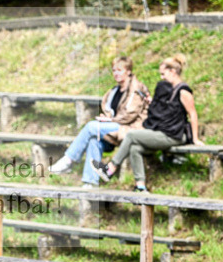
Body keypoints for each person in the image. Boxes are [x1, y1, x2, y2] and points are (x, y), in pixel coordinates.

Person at [93, 54, 202, 192]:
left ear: (172, 72)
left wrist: (196, 139)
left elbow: (193, 114)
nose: (162, 77)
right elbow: (166, 112)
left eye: (163, 74)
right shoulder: (168, 89)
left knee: (132, 135)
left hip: (174, 135)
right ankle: (141, 186)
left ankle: (110, 169)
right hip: (164, 131)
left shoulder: (183, 91)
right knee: (135, 148)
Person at [49, 56, 149, 187]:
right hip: (116, 127)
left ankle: (69, 160)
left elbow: (130, 115)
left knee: (91, 127)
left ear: (129, 71)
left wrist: (109, 120)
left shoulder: (136, 89)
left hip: (130, 129)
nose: (116, 73)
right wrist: (107, 118)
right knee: (94, 141)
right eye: (114, 70)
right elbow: (111, 111)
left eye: (120, 70)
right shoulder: (114, 91)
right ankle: (90, 183)